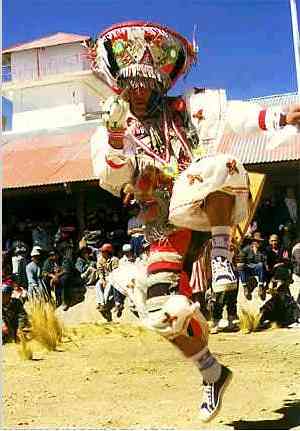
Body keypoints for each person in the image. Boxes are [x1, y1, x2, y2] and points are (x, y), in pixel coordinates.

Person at [89, 20, 300, 422]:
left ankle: (221, 255)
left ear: (158, 83)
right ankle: (212, 373)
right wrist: (116, 137)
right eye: (130, 82)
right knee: (162, 312)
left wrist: (279, 118)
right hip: (165, 227)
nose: (137, 91)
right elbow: (112, 178)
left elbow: (235, 115)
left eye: (145, 82)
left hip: (202, 203)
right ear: (119, 83)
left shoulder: (186, 108)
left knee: (218, 165)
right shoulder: (109, 130)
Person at [238, 235, 268, 300]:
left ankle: (261, 286)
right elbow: (241, 259)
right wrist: (244, 264)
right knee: (240, 266)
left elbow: (264, 261)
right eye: (256, 241)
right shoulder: (246, 249)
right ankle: (245, 287)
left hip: (258, 269)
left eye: (259, 242)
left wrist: (256, 252)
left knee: (260, 265)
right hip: (248, 269)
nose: (257, 243)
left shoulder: (262, 250)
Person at [95, 243, 119, 321]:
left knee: (108, 286)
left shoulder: (115, 259)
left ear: (108, 252)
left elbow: (115, 272)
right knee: (98, 285)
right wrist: (102, 279)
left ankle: (104, 303)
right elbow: (99, 271)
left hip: (113, 278)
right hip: (104, 278)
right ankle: (102, 303)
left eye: (104, 251)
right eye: (102, 251)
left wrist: (108, 280)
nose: (102, 253)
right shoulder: (100, 260)